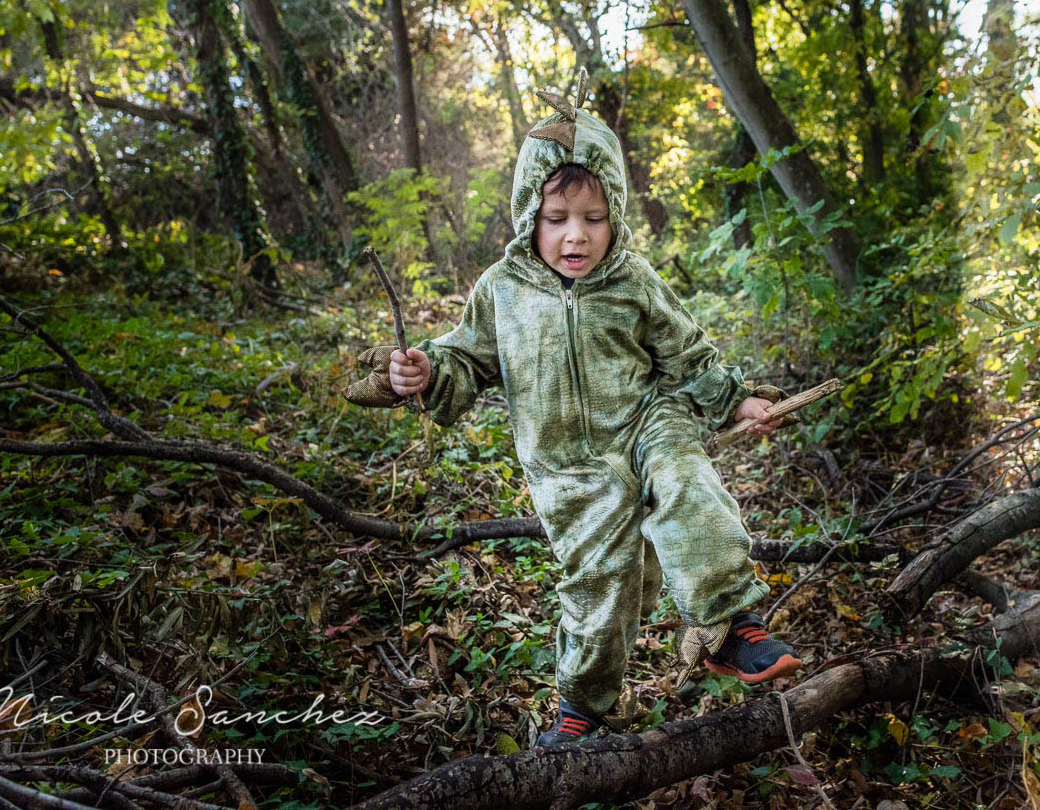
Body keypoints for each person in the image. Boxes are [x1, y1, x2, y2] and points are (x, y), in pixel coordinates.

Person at [343, 81, 801, 747]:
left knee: (687, 483)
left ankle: (730, 624)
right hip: (567, 466)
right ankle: (583, 706)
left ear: (615, 212)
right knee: (601, 582)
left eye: (593, 216)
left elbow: (687, 350)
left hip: (649, 420)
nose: (575, 235)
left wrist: (737, 398)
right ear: (530, 212)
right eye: (556, 216)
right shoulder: (501, 289)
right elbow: (463, 360)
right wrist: (420, 373)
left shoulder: (633, 279)